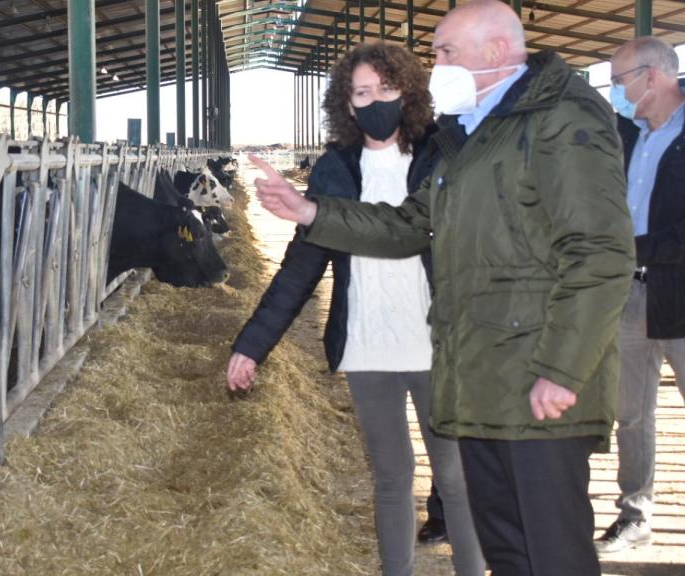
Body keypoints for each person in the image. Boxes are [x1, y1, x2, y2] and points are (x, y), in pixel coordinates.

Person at [247, 1, 635, 574]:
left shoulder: (560, 117)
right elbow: (408, 225)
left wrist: (563, 366)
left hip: (535, 375)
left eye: (447, 52)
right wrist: (309, 211)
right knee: (509, 547)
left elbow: (600, 251)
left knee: (551, 549)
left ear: (496, 52)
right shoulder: (471, 139)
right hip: (481, 373)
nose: (438, 65)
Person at [227, 43, 484, 576]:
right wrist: (252, 346)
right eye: (362, 92)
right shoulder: (334, 170)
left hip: (439, 343)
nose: (376, 102)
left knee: (456, 476)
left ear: (409, 92)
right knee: (391, 476)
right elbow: (301, 267)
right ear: (346, 105)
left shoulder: (442, 157)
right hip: (367, 344)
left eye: (386, 89)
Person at [594, 36, 685, 555]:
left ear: (652, 77)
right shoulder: (626, 138)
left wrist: (629, 247)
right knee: (631, 413)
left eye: (619, 79)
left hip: (679, 290)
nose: (615, 91)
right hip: (629, 294)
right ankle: (636, 513)